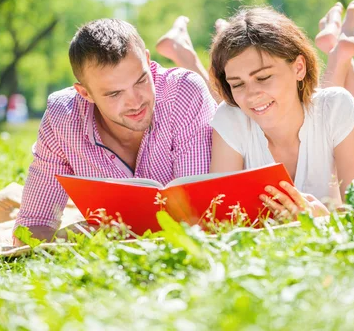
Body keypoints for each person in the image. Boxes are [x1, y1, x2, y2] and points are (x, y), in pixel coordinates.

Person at [13, 19, 216, 245]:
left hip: (226, 113)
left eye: (141, 80)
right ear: (85, 93)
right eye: (114, 94)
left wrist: (100, 233)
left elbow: (200, 218)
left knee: (230, 105)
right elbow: (31, 226)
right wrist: (70, 238)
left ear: (148, 61)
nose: (135, 102)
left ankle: (184, 52)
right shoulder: (63, 118)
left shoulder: (183, 93)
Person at [205, 2, 354, 221]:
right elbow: (222, 217)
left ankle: (339, 52)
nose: (251, 94)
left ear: (299, 67)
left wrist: (320, 217)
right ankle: (338, 48)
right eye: (237, 84)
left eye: (263, 77)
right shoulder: (230, 118)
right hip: (332, 137)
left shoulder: (337, 105)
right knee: (328, 108)